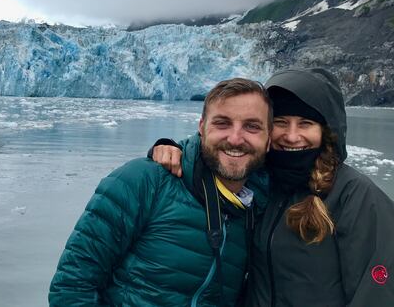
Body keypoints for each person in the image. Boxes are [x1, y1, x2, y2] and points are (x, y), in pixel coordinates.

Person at [150, 68, 394, 306]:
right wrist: (172, 148)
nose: (291, 135)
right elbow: (216, 153)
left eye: (306, 123)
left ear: (326, 131)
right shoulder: (258, 183)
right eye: (281, 122)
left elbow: (376, 294)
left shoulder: (354, 195)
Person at [49, 78, 272, 306]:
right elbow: (72, 286)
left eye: (252, 126)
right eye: (222, 123)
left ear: (269, 139)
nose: (235, 138)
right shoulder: (145, 181)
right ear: (201, 128)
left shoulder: (262, 207)